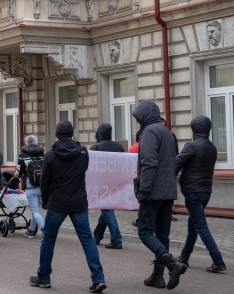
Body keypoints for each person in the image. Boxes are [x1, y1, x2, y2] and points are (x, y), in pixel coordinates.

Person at [29, 121, 106, 292]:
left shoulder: (50, 154)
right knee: (87, 239)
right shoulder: (83, 152)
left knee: (49, 239)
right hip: (78, 202)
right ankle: (98, 278)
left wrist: (45, 200)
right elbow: (84, 171)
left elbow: (45, 181)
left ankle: (43, 277)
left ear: (57, 135)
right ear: (72, 134)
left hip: (57, 202)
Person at [131, 100, 187, 290]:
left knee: (145, 231)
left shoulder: (149, 132)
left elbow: (149, 162)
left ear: (145, 116)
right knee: (162, 235)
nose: (138, 122)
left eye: (139, 118)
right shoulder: (168, 133)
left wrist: (144, 190)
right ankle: (157, 277)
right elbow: (174, 161)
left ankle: (172, 265)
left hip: (153, 191)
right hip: (168, 191)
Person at [175, 116, 226, 273]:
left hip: (193, 192)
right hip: (206, 192)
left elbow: (175, 164)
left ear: (194, 129)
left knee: (201, 226)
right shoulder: (212, 147)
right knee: (193, 226)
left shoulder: (192, 146)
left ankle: (218, 261)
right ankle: (184, 257)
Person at [90, 123, 124, 249]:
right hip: (116, 183)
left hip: (101, 183)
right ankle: (97, 236)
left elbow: (91, 167)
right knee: (106, 210)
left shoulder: (96, 147)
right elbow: (123, 166)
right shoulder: (119, 146)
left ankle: (116, 239)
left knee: (107, 210)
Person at [16, 135, 45, 238]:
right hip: (42, 186)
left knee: (35, 210)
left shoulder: (23, 155)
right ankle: (31, 230)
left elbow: (19, 171)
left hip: (30, 186)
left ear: (26, 142)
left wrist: (15, 177)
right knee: (36, 209)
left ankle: (44, 229)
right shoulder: (42, 154)